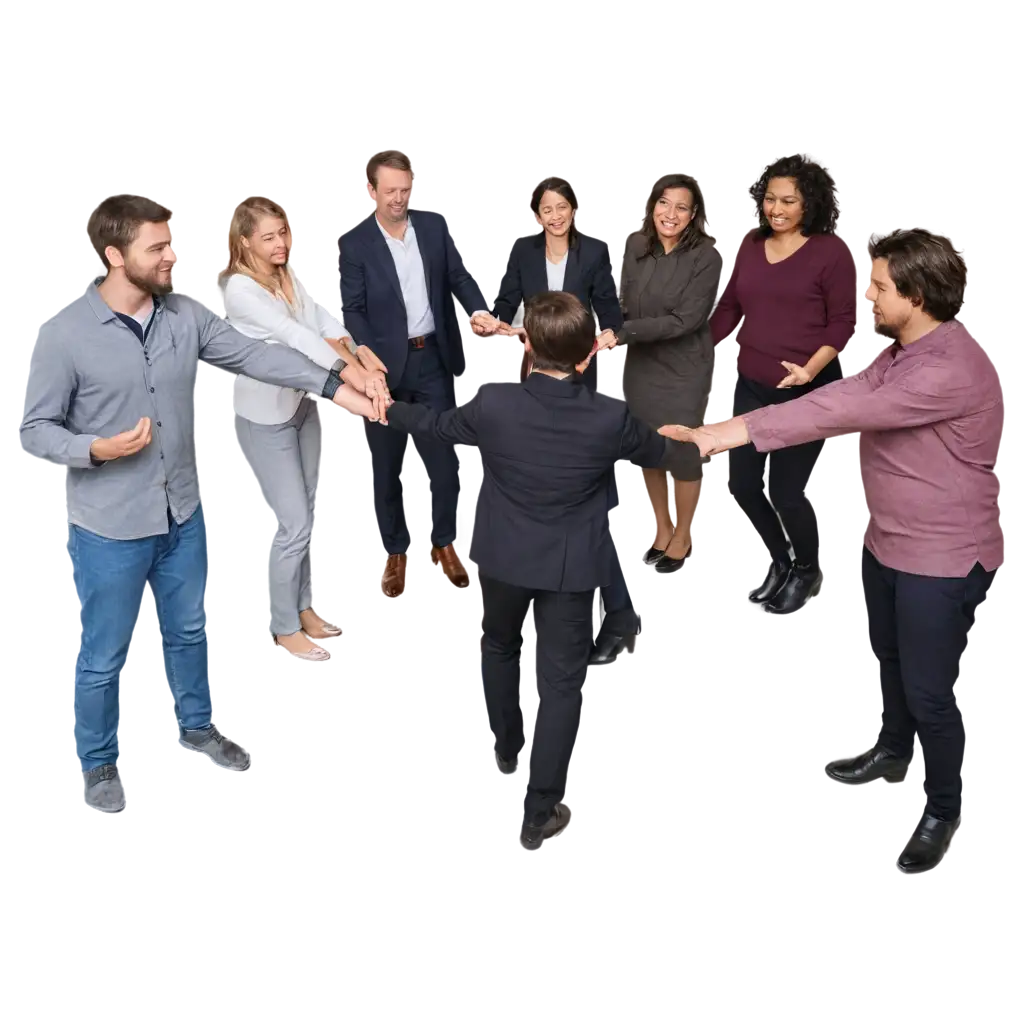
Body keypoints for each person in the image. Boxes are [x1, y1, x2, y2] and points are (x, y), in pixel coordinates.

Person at [18, 192, 383, 816]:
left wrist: (335, 384)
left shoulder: (184, 317)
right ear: (114, 255)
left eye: (170, 243)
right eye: (156, 247)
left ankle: (197, 729)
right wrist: (95, 448)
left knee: (189, 632)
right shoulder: (64, 333)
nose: (172, 256)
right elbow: (34, 428)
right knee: (102, 655)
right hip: (109, 527)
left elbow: (258, 354)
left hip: (178, 514)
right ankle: (98, 763)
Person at [661, 229, 1000, 871]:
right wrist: (732, 426)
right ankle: (894, 747)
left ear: (918, 294)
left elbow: (838, 417)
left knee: (932, 692)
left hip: (941, 554)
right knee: (888, 656)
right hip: (889, 541)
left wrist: (734, 436)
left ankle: (941, 808)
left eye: (878, 288)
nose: (866, 299)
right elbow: (848, 392)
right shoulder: (902, 349)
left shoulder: (950, 367)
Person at [382, 292, 669, 845]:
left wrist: (382, 406)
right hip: (573, 570)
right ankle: (539, 810)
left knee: (499, 649)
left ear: (529, 345)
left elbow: (434, 426)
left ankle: (506, 746)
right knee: (561, 686)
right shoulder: (609, 416)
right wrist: (704, 439)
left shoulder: (491, 401)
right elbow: (659, 452)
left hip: (503, 559)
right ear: (588, 357)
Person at [223, 195, 390, 662]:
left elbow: (324, 321)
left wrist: (360, 355)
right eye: (269, 237)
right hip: (268, 415)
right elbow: (297, 337)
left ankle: (301, 606)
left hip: (304, 404)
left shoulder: (289, 275)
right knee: (292, 523)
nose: (281, 243)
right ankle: (282, 627)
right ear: (245, 242)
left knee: (306, 513)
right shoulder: (240, 290)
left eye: (283, 233)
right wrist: (355, 375)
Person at [475, 175, 635, 663]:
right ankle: (543, 599)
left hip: (581, 374)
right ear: (536, 214)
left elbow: (608, 305)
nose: (556, 214)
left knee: (592, 502)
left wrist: (611, 332)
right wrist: (488, 315)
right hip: (537, 375)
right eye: (547, 207)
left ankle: (617, 614)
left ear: (573, 210)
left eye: (563, 206)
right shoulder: (523, 252)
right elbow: (504, 301)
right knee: (538, 492)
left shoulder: (595, 250)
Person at [337, 148, 495, 599]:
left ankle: (445, 544)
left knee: (441, 459)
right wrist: (367, 363)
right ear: (370, 191)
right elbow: (352, 308)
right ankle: (393, 552)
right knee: (387, 462)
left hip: (432, 360)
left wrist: (478, 310)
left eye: (405, 190)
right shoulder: (355, 241)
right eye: (389, 191)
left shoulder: (433, 226)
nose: (398, 199)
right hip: (382, 368)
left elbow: (459, 279)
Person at [710, 153, 857, 611]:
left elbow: (843, 323)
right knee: (746, 489)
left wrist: (809, 371)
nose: (776, 208)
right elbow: (730, 309)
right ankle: (781, 559)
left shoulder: (829, 253)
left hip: (806, 389)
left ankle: (806, 568)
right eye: (770, 198)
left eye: (788, 201)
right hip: (751, 384)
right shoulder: (750, 247)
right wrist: (694, 346)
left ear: (807, 204)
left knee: (788, 494)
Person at [605, 172, 724, 571]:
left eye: (681, 207)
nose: (670, 214)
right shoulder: (638, 246)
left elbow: (685, 320)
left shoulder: (706, 256)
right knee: (649, 451)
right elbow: (622, 300)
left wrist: (623, 333)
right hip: (640, 366)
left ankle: (683, 536)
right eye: (663, 204)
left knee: (682, 454)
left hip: (681, 368)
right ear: (652, 206)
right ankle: (660, 531)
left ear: (693, 216)